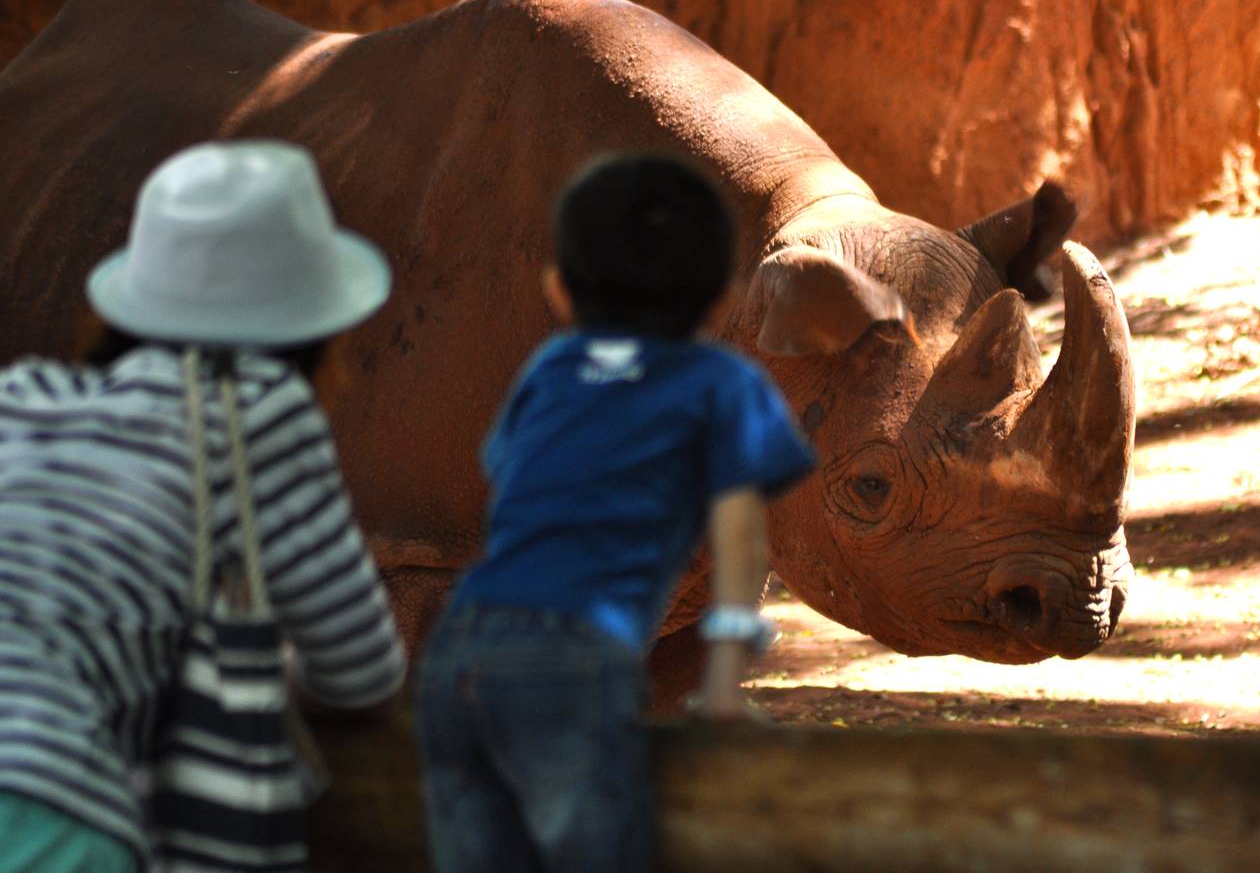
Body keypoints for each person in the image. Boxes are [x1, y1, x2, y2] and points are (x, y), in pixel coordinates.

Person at [0, 140, 407, 872]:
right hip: (38, 796)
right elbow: (362, 671)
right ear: (314, 328)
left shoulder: (22, 399)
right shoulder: (256, 411)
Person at [415, 153, 814, 873]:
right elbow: (743, 540)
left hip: (460, 648)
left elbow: (513, 486)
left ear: (561, 292)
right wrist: (721, 686)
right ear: (722, 300)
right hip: (574, 657)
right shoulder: (721, 382)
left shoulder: (551, 368)